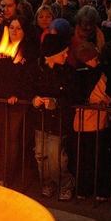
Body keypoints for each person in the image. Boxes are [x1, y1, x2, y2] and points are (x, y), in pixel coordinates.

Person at [0, 14, 38, 188]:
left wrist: (18, 95)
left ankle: (7, 176)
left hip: (15, 104)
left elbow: (28, 77)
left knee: (11, 140)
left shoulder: (28, 50)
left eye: (18, 28)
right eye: (11, 27)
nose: (14, 31)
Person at [32, 33, 77, 201]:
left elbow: (73, 96)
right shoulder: (37, 69)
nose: (66, 55)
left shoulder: (69, 72)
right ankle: (47, 183)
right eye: (63, 52)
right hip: (41, 121)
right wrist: (35, 99)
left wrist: (56, 102)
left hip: (58, 122)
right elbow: (28, 87)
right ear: (52, 55)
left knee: (57, 157)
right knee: (41, 155)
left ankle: (65, 185)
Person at [73, 42, 111, 201]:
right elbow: (104, 96)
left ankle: (84, 189)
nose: (97, 61)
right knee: (97, 158)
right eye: (94, 58)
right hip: (94, 121)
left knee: (86, 158)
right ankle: (98, 189)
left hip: (86, 121)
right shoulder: (98, 75)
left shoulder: (77, 74)